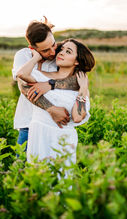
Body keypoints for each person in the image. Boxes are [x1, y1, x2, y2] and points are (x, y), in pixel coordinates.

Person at [16, 39, 95, 165]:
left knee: (62, 179)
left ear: (77, 61)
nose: (61, 53)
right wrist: (36, 57)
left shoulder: (80, 86)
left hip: (64, 140)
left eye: (68, 51)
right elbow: (21, 74)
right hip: (39, 135)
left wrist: (83, 89)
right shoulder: (40, 76)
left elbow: (78, 117)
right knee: (37, 177)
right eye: (61, 49)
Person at [12, 18, 80, 151]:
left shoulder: (60, 54)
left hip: (55, 125)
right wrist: (51, 109)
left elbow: (78, 81)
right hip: (28, 123)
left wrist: (51, 84)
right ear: (33, 48)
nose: (53, 52)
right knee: (23, 168)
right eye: (45, 50)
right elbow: (24, 87)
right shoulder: (23, 56)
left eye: (53, 45)